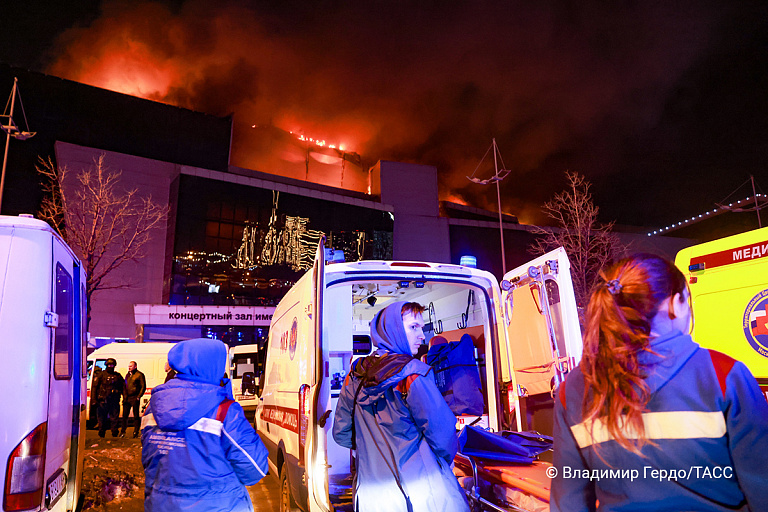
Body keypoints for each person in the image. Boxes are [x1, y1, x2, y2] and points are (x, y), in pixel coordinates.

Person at [551, 254, 768, 512]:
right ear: (676, 304)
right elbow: (762, 487)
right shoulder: (724, 375)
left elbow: (568, 501)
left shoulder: (573, 389)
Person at [333, 301, 470, 512]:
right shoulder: (414, 374)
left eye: (421, 328)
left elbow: (341, 433)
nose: (422, 335)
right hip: (421, 493)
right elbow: (443, 436)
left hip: (373, 497)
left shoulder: (355, 375)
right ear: (394, 330)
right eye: (413, 327)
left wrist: (371, 446)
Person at [141, 338, 268, 512]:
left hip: (161, 505)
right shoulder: (224, 410)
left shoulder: (152, 408)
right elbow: (255, 468)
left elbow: (150, 460)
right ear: (212, 365)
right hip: (219, 506)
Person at [91, 357, 125, 438]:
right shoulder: (101, 375)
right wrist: (94, 400)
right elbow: (94, 387)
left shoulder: (118, 376)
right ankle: (101, 433)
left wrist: (125, 397)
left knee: (114, 418)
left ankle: (114, 433)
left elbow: (123, 387)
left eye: (112, 365)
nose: (110, 366)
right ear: (106, 365)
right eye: (109, 365)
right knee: (102, 418)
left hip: (114, 401)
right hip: (103, 401)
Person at [121, 360, 146, 438]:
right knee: (125, 416)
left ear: (135, 366)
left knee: (136, 416)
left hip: (135, 397)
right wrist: (124, 396)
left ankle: (135, 432)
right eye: (128, 366)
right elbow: (125, 386)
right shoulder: (128, 375)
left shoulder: (139, 375)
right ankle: (122, 432)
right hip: (127, 398)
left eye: (131, 366)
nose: (129, 368)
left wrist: (139, 396)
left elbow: (143, 386)